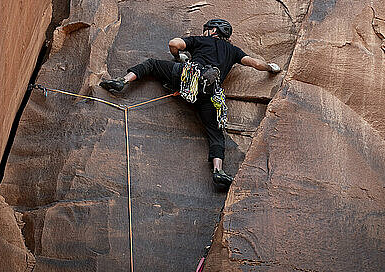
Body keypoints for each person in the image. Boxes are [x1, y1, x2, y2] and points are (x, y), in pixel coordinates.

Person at [99, 19, 281, 188]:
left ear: (213, 31)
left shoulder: (201, 41)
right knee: (216, 134)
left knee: (152, 64)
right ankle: (218, 171)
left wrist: (179, 57)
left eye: (206, 30)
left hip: (187, 77)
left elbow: (174, 43)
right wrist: (271, 67)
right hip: (209, 94)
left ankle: (123, 82)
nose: (204, 33)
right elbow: (255, 63)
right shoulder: (233, 51)